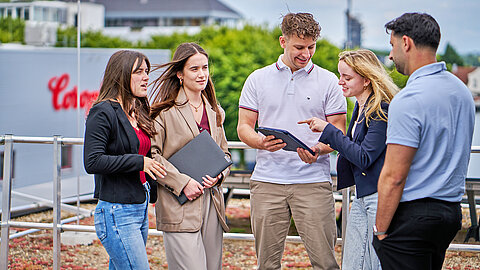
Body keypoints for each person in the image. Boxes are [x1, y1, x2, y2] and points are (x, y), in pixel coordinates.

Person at [237, 12, 346, 270]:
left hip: (313, 182)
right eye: (299, 47)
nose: (306, 54)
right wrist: (260, 143)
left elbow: (338, 131)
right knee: (267, 264)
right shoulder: (257, 78)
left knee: (325, 263)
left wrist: (318, 149)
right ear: (282, 41)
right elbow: (243, 127)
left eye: (311, 47)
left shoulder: (329, 81)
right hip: (267, 182)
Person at [373, 13, 475, 270]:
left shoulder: (408, 99)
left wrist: (380, 231)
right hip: (450, 212)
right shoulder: (461, 92)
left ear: (406, 42)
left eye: (392, 46)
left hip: (413, 217)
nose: (391, 55)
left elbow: (394, 176)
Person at [299, 49, 398, 270]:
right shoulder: (360, 107)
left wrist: (328, 130)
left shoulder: (381, 109)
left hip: (377, 197)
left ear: (365, 79)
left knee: (370, 264)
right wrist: (322, 145)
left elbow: (364, 157)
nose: (340, 82)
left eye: (347, 77)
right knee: (353, 264)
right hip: (363, 195)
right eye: (340, 75)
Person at [149, 42, 230, 270]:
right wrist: (183, 183)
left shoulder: (216, 111)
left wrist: (219, 175)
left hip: (212, 203)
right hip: (178, 204)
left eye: (205, 68)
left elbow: (224, 154)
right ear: (180, 74)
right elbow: (152, 156)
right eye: (194, 69)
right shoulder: (163, 112)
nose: (202, 74)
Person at [84, 50, 167, 269]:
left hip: (139, 206)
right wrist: (140, 162)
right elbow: (92, 162)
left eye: (147, 71)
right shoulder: (102, 112)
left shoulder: (138, 110)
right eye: (139, 71)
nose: (146, 77)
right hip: (116, 211)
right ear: (121, 74)